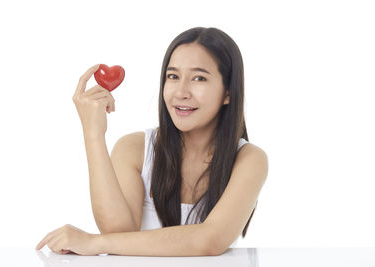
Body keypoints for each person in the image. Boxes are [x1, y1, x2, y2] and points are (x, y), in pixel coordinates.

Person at [35, 27, 268, 257]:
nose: (181, 92)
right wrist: (93, 133)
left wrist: (92, 243)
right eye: (173, 76)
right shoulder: (134, 149)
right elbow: (118, 233)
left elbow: (210, 240)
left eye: (199, 78)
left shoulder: (249, 159)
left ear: (228, 92)